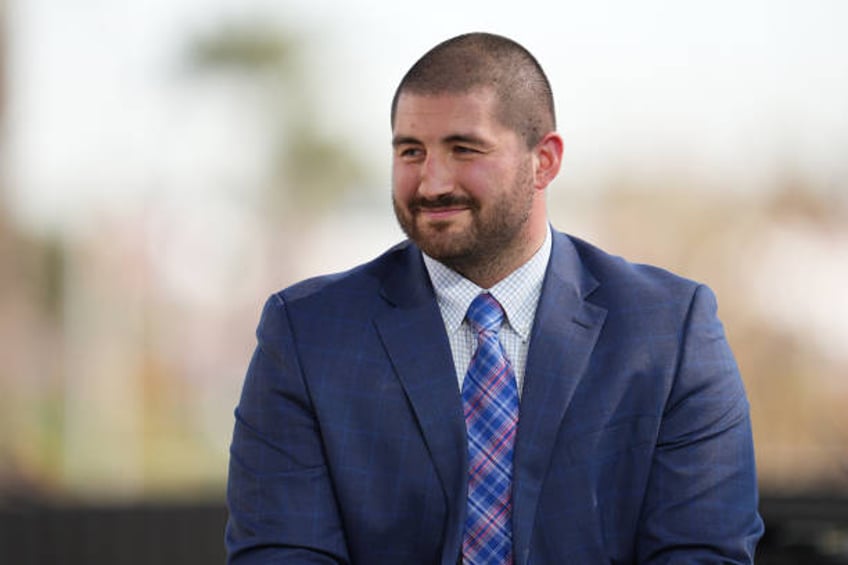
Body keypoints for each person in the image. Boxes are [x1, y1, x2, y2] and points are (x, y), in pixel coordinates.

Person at [225, 32, 763, 564]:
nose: (431, 183)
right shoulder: (309, 335)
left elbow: (703, 553)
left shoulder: (668, 333)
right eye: (411, 151)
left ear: (544, 161)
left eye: (464, 149)